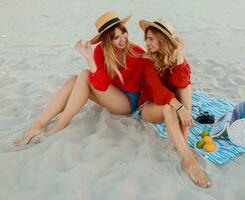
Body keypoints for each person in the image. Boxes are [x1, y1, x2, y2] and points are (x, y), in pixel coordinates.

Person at [13, 11, 145, 145]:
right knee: (74, 79)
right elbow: (102, 84)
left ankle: (59, 125)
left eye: (124, 33)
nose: (123, 39)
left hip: (128, 101)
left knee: (84, 75)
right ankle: (37, 125)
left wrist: (89, 59)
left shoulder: (136, 52)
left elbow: (103, 85)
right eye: (116, 37)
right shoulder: (100, 50)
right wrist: (89, 57)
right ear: (107, 40)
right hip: (111, 94)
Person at [137, 18, 211, 188]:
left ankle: (182, 143)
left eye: (151, 39)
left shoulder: (173, 56)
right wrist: (179, 108)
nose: (147, 43)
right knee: (168, 108)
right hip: (149, 106)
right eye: (146, 38)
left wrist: (179, 55)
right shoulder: (146, 59)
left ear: (162, 40)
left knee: (186, 88)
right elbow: (157, 90)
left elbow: (181, 83)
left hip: (170, 102)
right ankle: (188, 161)